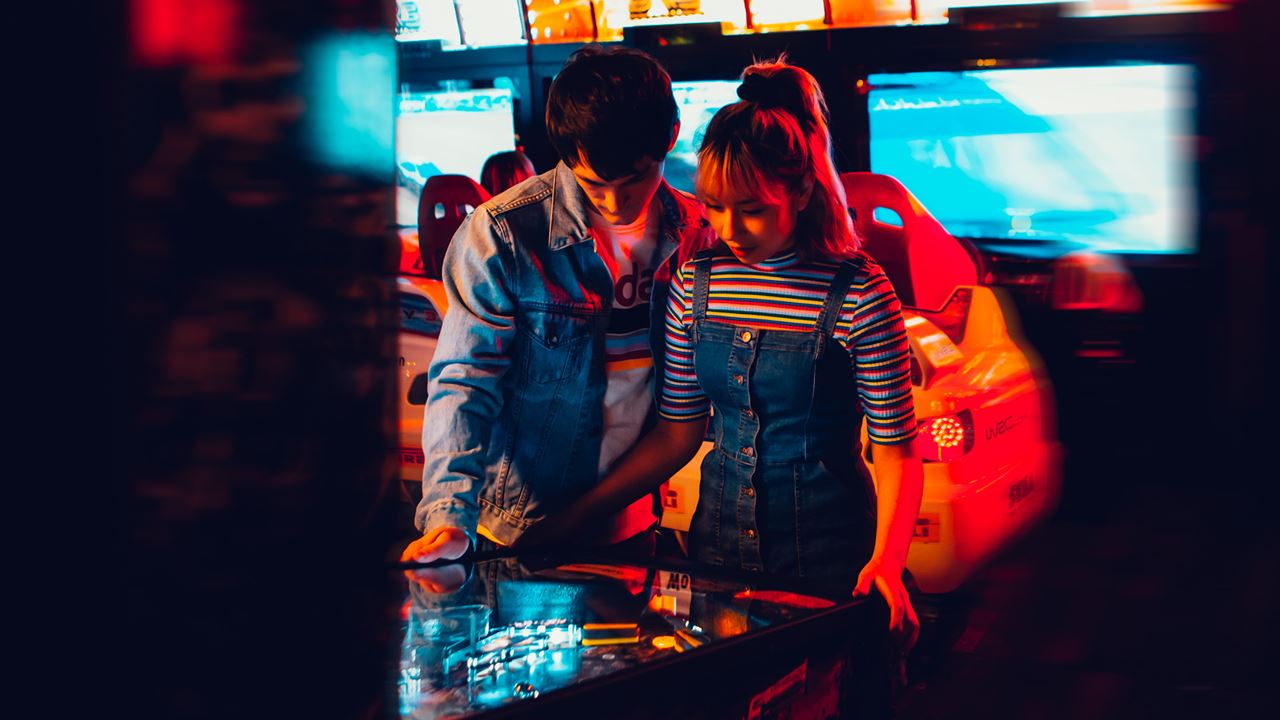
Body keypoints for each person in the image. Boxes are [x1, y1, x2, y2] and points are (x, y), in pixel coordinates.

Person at [520, 58, 925, 652]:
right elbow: (676, 434)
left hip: (833, 558)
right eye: (713, 205)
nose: (729, 227)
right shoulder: (696, 278)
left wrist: (887, 561)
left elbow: (897, 453)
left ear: (803, 188)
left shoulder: (860, 290)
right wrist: (578, 517)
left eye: (752, 208)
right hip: (717, 556)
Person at [400, 46, 715, 563]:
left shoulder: (697, 233)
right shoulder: (503, 233)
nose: (614, 203)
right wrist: (447, 515)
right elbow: (464, 380)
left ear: (671, 137)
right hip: (513, 527)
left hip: (631, 520)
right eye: (594, 184)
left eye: (634, 179)